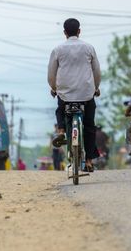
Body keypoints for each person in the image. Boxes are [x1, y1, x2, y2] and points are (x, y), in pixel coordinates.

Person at [48, 18, 101, 172]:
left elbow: (51, 74)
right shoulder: (89, 48)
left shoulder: (58, 50)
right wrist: (95, 88)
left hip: (65, 94)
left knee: (60, 109)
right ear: (79, 31)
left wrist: (54, 88)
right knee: (90, 126)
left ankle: (61, 131)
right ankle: (89, 160)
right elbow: (96, 72)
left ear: (64, 32)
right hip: (86, 94)